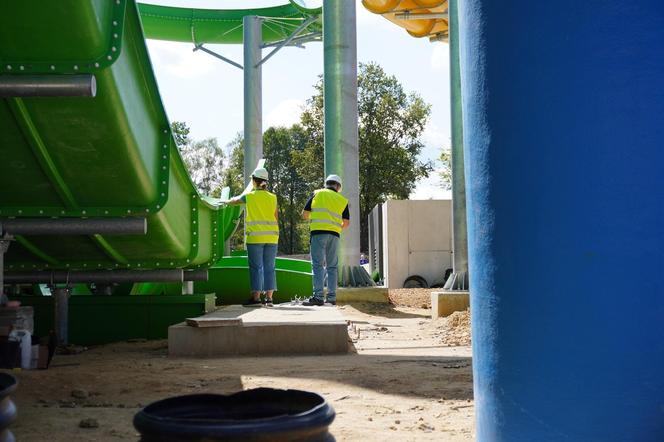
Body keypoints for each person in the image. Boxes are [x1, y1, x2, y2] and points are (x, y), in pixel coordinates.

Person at [227, 167, 279, 307]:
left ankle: (256, 298)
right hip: (272, 238)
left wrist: (225, 201)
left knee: (256, 267)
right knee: (270, 267)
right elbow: (275, 217)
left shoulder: (249, 196)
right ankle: (269, 299)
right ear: (265, 182)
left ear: (254, 181)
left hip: (255, 238)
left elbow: (234, 201)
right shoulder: (273, 197)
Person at [301, 174, 350, 306]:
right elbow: (346, 223)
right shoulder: (342, 200)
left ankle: (318, 297)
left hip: (318, 233)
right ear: (338, 186)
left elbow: (304, 214)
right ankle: (331, 298)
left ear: (327, 183)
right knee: (332, 266)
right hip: (334, 235)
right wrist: (336, 227)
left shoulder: (317, 193)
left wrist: (315, 217)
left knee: (317, 265)